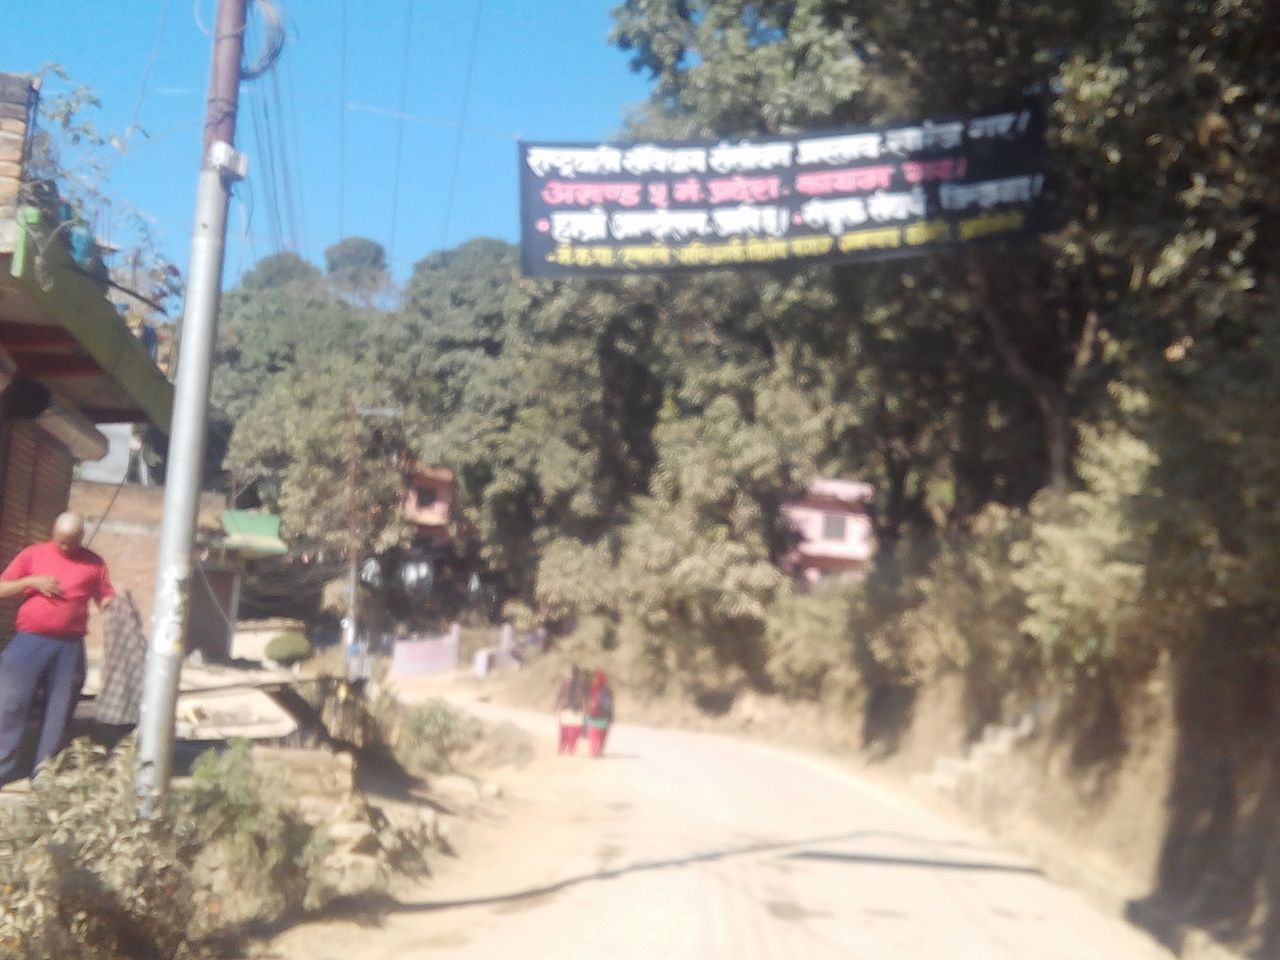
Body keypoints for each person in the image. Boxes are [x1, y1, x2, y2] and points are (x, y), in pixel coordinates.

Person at [0, 513, 114, 784]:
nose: (65, 547)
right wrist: (31, 582)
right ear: (53, 532)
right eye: (61, 541)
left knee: (59, 710)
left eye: (72, 542)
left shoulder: (94, 563)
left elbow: (105, 597)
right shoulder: (33, 554)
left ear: (81, 537)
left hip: (69, 646)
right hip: (29, 640)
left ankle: (44, 770)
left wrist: (113, 608)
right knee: (10, 704)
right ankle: (3, 765)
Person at [553, 666, 586, 754]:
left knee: (564, 730)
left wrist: (555, 707)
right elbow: (583, 697)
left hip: (565, 708)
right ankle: (571, 748)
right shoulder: (581, 684)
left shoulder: (565, 683)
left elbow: (560, 696)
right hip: (577, 709)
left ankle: (562, 747)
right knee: (575, 730)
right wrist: (584, 709)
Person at [584, 670, 614, 758]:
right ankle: (600, 751)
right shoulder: (609, 690)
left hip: (594, 715)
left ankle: (594, 752)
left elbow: (590, 702)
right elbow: (611, 705)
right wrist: (611, 716)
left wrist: (588, 711)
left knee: (593, 734)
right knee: (602, 735)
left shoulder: (594, 688)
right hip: (605, 716)